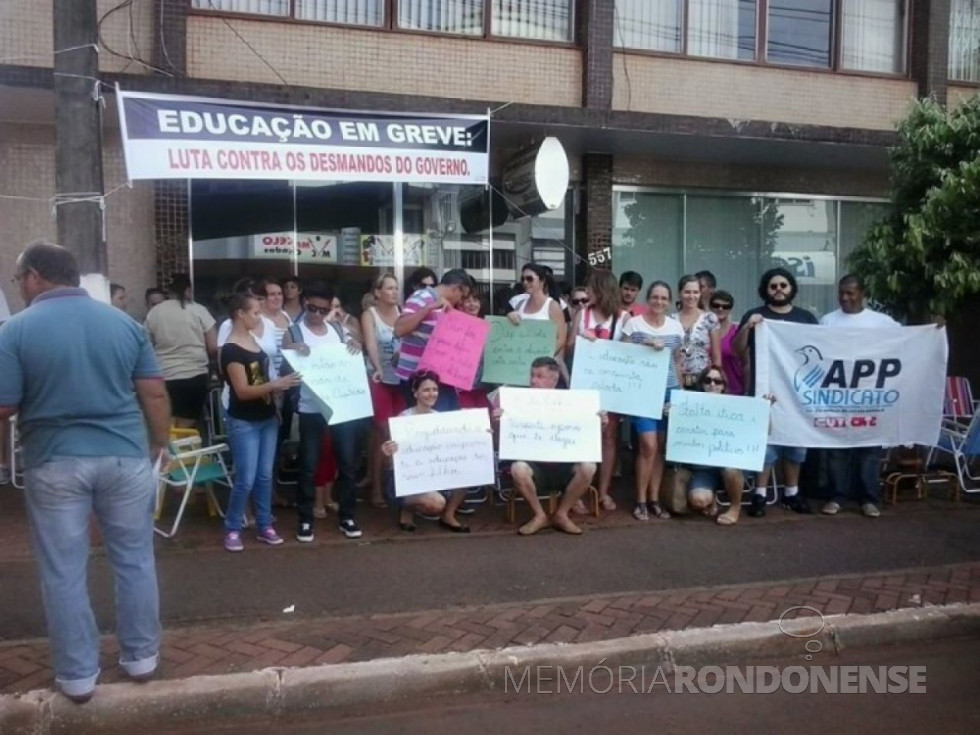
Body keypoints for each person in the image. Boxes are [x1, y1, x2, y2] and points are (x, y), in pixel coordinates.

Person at [0, 240, 171, 704]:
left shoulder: (15, 331)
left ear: (35, 275)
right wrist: (160, 442)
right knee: (135, 559)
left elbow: (5, 404)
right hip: (124, 457)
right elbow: (153, 393)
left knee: (63, 571)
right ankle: (141, 658)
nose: (18, 288)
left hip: (54, 461)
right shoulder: (123, 323)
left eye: (18, 280)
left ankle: (77, 676)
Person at [282, 281, 364, 542]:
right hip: (310, 407)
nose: (316, 314)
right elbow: (285, 374)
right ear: (305, 303)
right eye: (312, 308)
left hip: (340, 405)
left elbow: (356, 349)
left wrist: (356, 348)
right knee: (308, 463)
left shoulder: (338, 330)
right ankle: (305, 519)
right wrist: (291, 354)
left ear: (330, 308)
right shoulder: (294, 332)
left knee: (347, 463)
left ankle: (348, 516)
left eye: (321, 310)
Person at [219, 293, 302, 552]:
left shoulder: (253, 340)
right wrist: (276, 385)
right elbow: (242, 390)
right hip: (244, 419)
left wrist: (274, 395)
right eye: (255, 312)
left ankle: (264, 523)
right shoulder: (231, 349)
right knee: (246, 477)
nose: (259, 316)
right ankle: (233, 527)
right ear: (239, 314)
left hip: (267, 416)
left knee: (265, 475)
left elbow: (261, 377)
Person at [735, 267, 819, 518]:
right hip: (764, 391)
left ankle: (791, 493)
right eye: (773, 286)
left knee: (795, 444)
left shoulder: (806, 318)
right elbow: (738, 349)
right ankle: (759, 494)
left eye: (783, 285)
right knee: (765, 445)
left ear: (791, 287)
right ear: (765, 290)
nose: (779, 290)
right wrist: (748, 327)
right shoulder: (756, 315)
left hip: (798, 393)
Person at [819, 274, 900, 519]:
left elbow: (908, 342)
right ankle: (838, 497)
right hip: (838, 399)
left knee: (868, 452)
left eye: (850, 293)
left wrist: (933, 330)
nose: (845, 297)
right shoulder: (828, 322)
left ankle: (869, 499)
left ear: (862, 293)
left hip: (870, 398)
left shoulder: (882, 323)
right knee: (837, 452)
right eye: (841, 292)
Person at [492, 357, 599, 536]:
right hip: (536, 468)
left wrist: (598, 423)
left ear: (554, 379)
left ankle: (562, 514)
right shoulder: (517, 402)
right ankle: (539, 515)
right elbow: (499, 444)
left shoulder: (573, 401)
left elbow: (588, 437)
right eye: (532, 375)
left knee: (589, 467)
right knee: (518, 468)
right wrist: (498, 423)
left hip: (565, 466)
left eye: (540, 376)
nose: (533, 380)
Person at [621, 280, 685, 522]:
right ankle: (639, 500)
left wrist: (681, 392)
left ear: (669, 301)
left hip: (669, 390)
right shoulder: (634, 324)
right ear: (648, 299)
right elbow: (623, 357)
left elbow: (678, 361)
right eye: (655, 297)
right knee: (647, 445)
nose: (659, 302)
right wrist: (644, 345)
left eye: (664, 298)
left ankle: (654, 499)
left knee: (659, 448)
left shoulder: (676, 327)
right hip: (643, 391)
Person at [565, 269, 627, 512]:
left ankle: (603, 491)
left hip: (610, 386)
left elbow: (627, 353)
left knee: (609, 437)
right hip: (584, 385)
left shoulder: (622, 318)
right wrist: (581, 339)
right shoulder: (583, 314)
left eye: (591, 288)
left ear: (602, 290)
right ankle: (578, 490)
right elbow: (568, 349)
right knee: (581, 435)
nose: (587, 292)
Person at [381, 370, 471, 533]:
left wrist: (481, 435)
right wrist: (388, 452)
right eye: (426, 390)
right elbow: (392, 464)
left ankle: (449, 515)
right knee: (436, 504)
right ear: (415, 393)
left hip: (434, 474)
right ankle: (407, 508)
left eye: (435, 389)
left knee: (468, 468)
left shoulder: (441, 419)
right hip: (408, 479)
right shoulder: (403, 420)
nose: (432, 394)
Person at [394, 268, 473, 412]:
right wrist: (429, 308)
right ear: (455, 289)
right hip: (418, 380)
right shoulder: (421, 297)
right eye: (462, 296)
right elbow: (399, 329)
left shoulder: (452, 309)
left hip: (442, 379)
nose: (461, 301)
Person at [145, 274, 218, 428]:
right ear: (188, 289)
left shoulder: (154, 312)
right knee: (187, 424)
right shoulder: (199, 310)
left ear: (168, 291)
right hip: (194, 376)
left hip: (164, 376)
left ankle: (172, 448)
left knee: (169, 425)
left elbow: (145, 346)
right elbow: (213, 346)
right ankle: (183, 447)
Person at [683, 366, 746, 526]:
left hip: (731, 465)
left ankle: (735, 507)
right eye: (707, 380)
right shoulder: (689, 407)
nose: (712, 384)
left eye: (717, 381)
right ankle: (711, 499)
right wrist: (673, 415)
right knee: (698, 500)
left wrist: (766, 410)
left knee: (730, 469)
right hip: (704, 469)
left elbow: (766, 431)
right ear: (701, 383)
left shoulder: (738, 406)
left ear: (724, 385)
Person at [361, 272, 404, 509]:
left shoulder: (403, 313)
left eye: (396, 288)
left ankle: (397, 485)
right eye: (389, 288)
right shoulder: (370, 315)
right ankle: (377, 488)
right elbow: (370, 345)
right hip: (379, 380)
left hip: (401, 381)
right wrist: (378, 367)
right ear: (377, 292)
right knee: (382, 431)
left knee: (398, 432)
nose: (394, 292)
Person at [507, 263, 567, 362]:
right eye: (523, 279)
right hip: (520, 361)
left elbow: (561, 339)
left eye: (530, 278)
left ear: (542, 281)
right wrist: (510, 318)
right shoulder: (519, 304)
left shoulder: (552, 306)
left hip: (543, 364)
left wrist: (545, 356)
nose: (525, 282)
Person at [672, 275, 721, 387]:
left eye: (695, 292)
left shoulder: (710, 318)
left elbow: (716, 357)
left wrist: (715, 382)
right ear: (680, 293)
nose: (691, 296)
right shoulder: (671, 320)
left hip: (704, 382)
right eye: (687, 292)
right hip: (676, 380)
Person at [709, 290, 745, 397]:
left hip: (734, 389)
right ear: (710, 307)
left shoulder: (737, 331)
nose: (720, 309)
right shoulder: (702, 332)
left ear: (730, 309)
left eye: (726, 306)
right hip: (707, 388)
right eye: (716, 305)